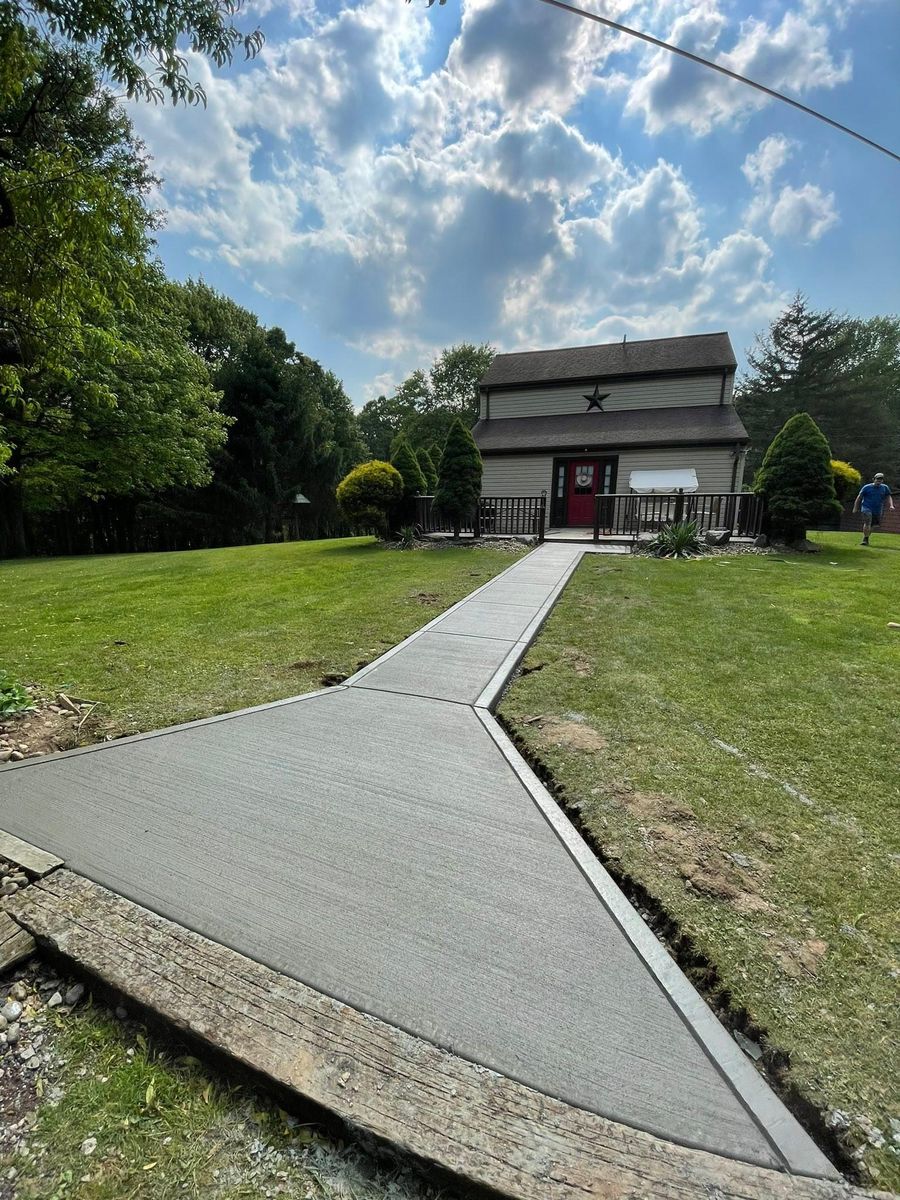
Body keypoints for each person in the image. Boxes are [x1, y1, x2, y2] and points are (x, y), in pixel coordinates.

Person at [853, 472, 894, 544]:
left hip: (878, 509)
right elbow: (859, 498)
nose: (879, 481)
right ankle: (865, 539)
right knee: (868, 521)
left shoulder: (885, 487)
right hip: (866, 507)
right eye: (878, 479)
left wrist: (891, 505)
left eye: (881, 479)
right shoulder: (866, 487)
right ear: (874, 479)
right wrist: (855, 507)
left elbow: (888, 496)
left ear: (882, 480)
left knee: (873, 525)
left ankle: (866, 537)